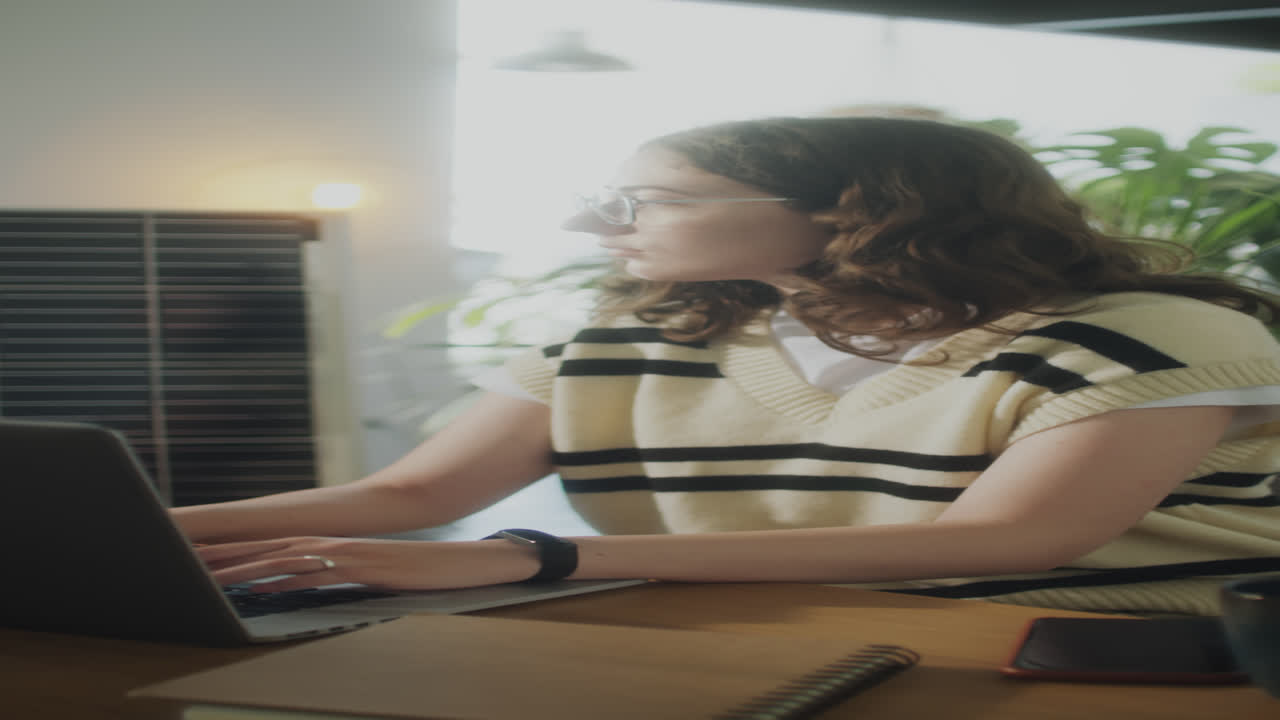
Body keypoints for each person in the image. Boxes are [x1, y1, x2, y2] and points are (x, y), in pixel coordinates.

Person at [176, 116, 1280, 616]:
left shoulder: (1148, 336)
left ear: (845, 209)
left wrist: (537, 559)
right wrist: (146, 526)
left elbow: (1006, 542)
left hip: (1093, 651)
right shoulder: (626, 344)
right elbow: (411, 495)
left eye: (641, 201)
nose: (590, 225)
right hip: (761, 630)